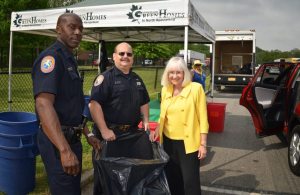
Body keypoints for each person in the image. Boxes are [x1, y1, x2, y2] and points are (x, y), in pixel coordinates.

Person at [31, 13, 100, 194]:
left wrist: (88, 133)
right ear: (58, 29)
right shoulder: (51, 58)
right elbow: (44, 105)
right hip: (58, 141)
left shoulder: (69, 59)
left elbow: (73, 105)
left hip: (72, 138)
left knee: (71, 189)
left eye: (81, 29)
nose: (77, 32)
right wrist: (64, 151)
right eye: (72, 27)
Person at [89, 42, 152, 194]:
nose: (125, 57)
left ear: (132, 58)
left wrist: (145, 121)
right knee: (106, 179)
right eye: (122, 53)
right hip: (110, 136)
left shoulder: (136, 78)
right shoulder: (105, 78)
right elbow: (94, 104)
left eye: (129, 54)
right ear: (114, 57)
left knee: (131, 177)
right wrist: (104, 130)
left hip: (131, 136)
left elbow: (144, 102)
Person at [150, 56, 209, 195]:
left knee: (190, 182)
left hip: (188, 144)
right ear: (167, 74)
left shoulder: (196, 89)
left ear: (184, 73)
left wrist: (203, 144)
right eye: (171, 72)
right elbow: (164, 114)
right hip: (169, 141)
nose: (174, 76)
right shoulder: (165, 90)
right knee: (173, 179)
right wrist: (158, 128)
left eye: (178, 72)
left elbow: (203, 118)